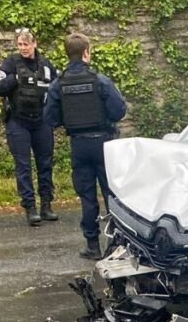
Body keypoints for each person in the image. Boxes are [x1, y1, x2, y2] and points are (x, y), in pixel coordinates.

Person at [44, 33, 127, 260]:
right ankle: (116, 244)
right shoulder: (100, 81)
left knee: (87, 197)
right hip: (103, 143)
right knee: (112, 195)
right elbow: (119, 110)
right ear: (86, 53)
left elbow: (49, 117)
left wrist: (69, 120)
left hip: (79, 145)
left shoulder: (58, 84)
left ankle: (92, 245)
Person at [0, 28, 58, 226]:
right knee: (23, 165)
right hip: (18, 121)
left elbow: (55, 91)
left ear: (34, 44)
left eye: (26, 44)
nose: (23, 48)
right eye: (20, 44)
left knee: (45, 163)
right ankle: (30, 207)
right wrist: (15, 80)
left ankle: (46, 205)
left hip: (41, 121)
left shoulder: (46, 65)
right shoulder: (11, 63)